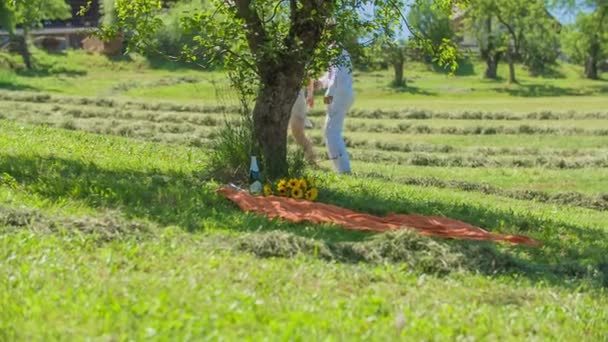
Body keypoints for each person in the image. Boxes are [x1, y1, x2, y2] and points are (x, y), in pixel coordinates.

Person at [318, 46, 354, 174]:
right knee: (331, 131)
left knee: (332, 132)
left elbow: (335, 77)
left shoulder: (336, 50)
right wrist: (319, 83)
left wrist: (328, 95)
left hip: (338, 95)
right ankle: (341, 168)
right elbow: (330, 75)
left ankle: (343, 170)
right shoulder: (336, 50)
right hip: (343, 94)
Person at [289, 80, 317, 164]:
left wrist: (310, 95)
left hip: (297, 98)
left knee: (298, 134)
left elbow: (308, 77)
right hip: (280, 96)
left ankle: (312, 161)